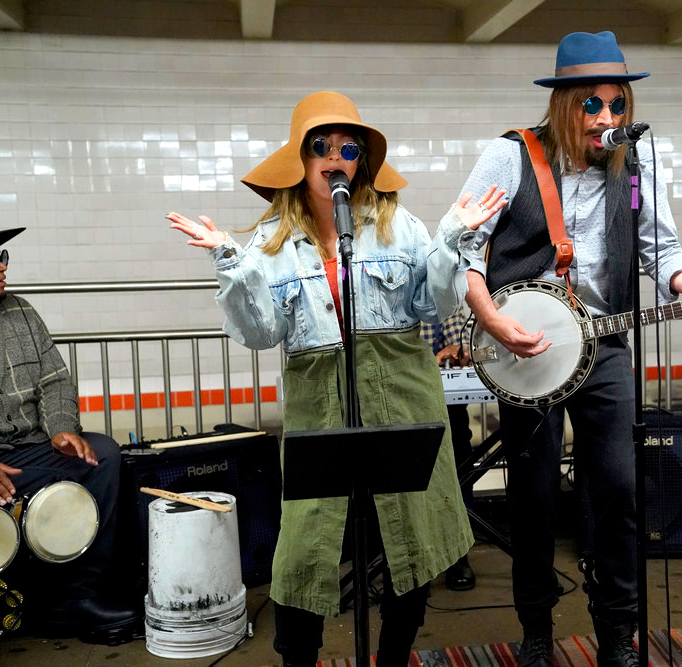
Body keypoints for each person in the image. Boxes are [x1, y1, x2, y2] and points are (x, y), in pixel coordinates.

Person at [450, 31, 682, 666]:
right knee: (535, 494)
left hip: (605, 344)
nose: (607, 118)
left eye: (617, 104)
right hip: (528, 348)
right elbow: (462, 246)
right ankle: (538, 631)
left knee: (622, 489)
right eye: (591, 105)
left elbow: (664, 254)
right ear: (562, 104)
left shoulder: (636, 164)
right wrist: (490, 320)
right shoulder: (508, 157)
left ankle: (618, 634)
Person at [166, 91, 504, 666]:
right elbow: (260, 332)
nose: (335, 156)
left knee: (409, 548)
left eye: (349, 148)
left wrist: (451, 241)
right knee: (304, 555)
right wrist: (229, 261)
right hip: (319, 415)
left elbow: (434, 304)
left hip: (401, 405)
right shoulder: (271, 242)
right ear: (301, 158)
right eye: (320, 145)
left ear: (360, 163)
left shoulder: (401, 225)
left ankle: (393, 656)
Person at [0, 226, 142, 643]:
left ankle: (81, 595)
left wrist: (61, 430)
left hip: (31, 449)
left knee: (104, 455)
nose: (3, 267)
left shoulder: (22, 313)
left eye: (2, 256)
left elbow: (55, 381)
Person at [420, 309, 476, 591]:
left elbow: (459, 335)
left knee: (456, 444)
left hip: (437, 396)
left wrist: (458, 349)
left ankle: (457, 551)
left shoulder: (432, 277)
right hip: (391, 391)